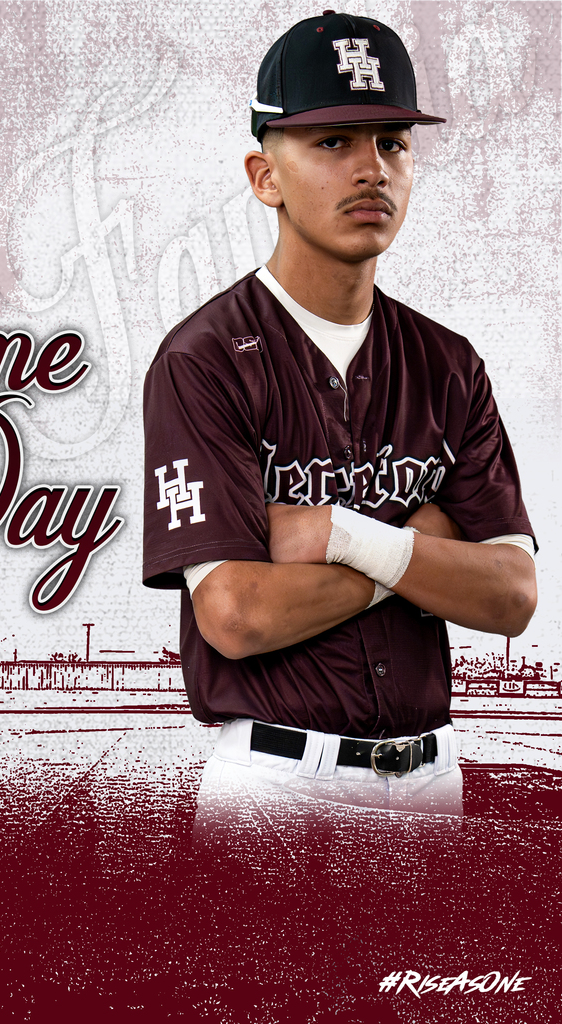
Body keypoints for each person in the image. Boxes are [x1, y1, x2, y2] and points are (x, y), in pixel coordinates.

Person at [142, 11, 537, 838]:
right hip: (277, 787)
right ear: (264, 175)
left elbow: (508, 595)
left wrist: (334, 532)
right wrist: (421, 546)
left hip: (432, 782)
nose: (371, 169)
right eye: (332, 142)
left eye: (391, 142)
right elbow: (237, 614)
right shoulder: (203, 358)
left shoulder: (447, 364)